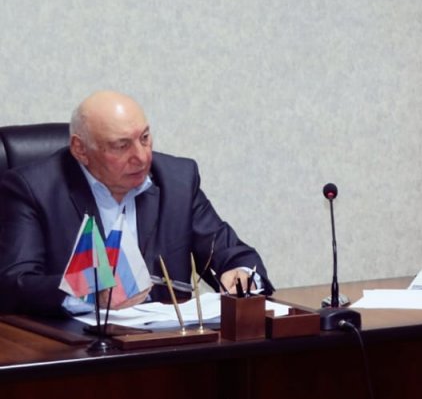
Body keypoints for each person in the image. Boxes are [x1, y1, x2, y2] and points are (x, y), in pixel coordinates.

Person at [0, 91, 271, 316]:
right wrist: (87, 291)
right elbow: (14, 284)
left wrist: (241, 275)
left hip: (166, 346)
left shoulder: (177, 181)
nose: (141, 157)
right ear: (80, 149)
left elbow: (233, 254)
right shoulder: (32, 189)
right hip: (75, 350)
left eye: (144, 138)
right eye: (121, 146)